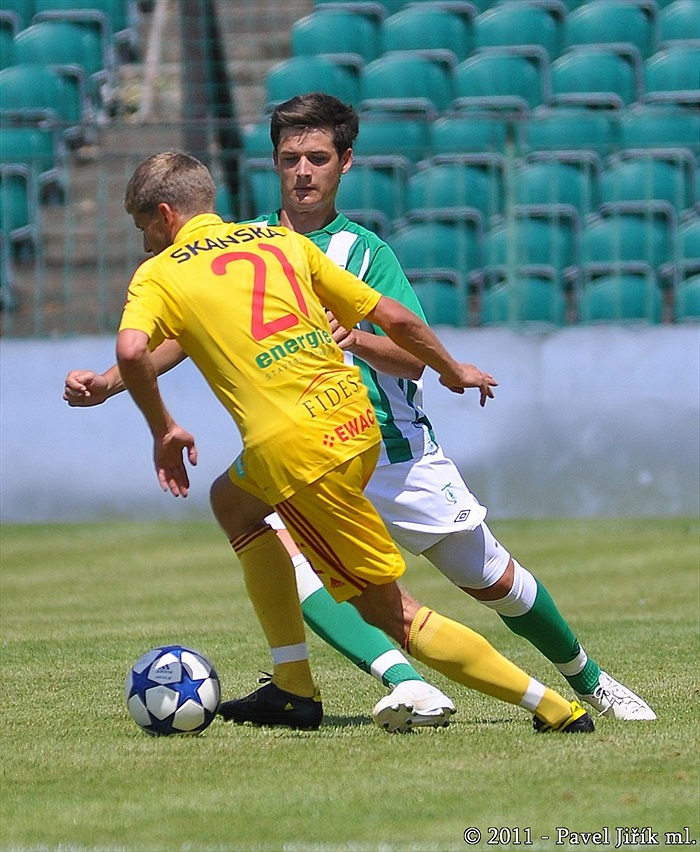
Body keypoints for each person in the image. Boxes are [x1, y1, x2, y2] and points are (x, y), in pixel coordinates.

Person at [64, 94, 655, 724]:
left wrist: (355, 339)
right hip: (313, 446)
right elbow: (184, 334)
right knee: (262, 527)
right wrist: (111, 383)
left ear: (345, 162)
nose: (302, 172)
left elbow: (410, 357)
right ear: (274, 164)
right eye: (289, 159)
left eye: (317, 158)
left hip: (393, 451)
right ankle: (385, 683)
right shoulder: (256, 239)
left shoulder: (365, 251)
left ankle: (587, 681)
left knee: (495, 582)